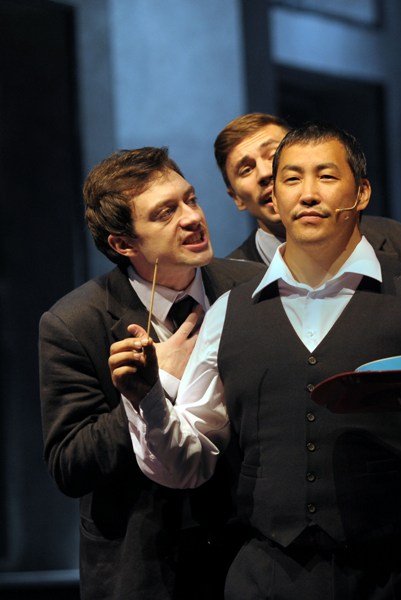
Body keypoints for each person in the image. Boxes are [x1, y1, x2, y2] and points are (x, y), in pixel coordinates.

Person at [110, 122, 401, 599]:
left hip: (397, 576)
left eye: (326, 176)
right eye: (291, 179)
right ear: (274, 195)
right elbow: (189, 464)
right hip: (267, 576)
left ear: (362, 192)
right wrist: (147, 399)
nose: (307, 193)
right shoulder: (228, 312)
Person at [38, 147, 266, 599]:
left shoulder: (254, 288)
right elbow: (70, 464)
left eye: (190, 200)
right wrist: (153, 387)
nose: (192, 218)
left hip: (250, 553)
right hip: (146, 566)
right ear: (124, 244)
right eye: (166, 213)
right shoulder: (73, 323)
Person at [214, 112, 401, 267]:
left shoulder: (400, 241)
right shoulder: (226, 284)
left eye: (273, 156)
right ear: (236, 198)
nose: (265, 173)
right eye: (246, 170)